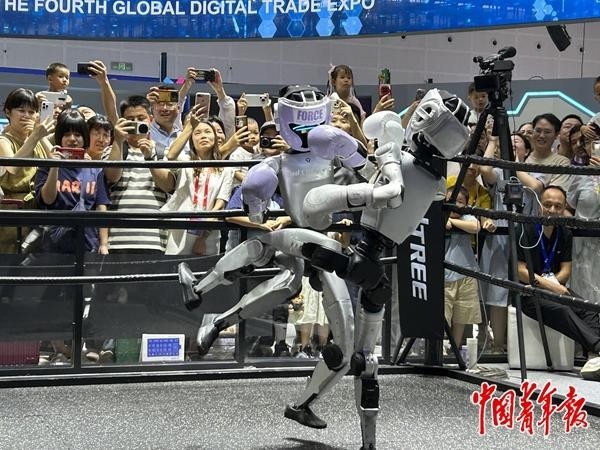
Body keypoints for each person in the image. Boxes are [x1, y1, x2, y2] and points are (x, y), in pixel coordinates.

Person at [516, 185, 600, 380]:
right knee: (563, 310)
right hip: (528, 292)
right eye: (547, 205)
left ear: (564, 209)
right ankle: (598, 348)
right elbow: (520, 271)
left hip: (556, 288)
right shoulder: (525, 229)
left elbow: (566, 271)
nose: (552, 210)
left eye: (558, 206)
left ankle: (594, 356)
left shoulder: (564, 233)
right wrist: (550, 286)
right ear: (539, 205)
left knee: (589, 309)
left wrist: (554, 285)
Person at [103, 95, 174, 254]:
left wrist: (150, 158)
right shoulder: (113, 150)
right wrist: (118, 140)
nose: (136, 123)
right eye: (130, 119)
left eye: (141, 118)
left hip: (154, 240)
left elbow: (168, 186)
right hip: (117, 241)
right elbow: (111, 177)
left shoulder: (164, 152)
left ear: (150, 120)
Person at [161, 113, 233, 255]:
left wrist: (202, 238)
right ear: (192, 140)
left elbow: (220, 205)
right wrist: (189, 127)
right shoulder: (185, 161)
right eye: (197, 133)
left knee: (205, 268)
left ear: (215, 137)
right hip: (180, 229)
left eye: (208, 132)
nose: (203, 136)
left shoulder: (226, 168)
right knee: (175, 266)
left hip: (209, 233)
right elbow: (170, 155)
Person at [0, 88, 54, 253]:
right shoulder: (4, 140)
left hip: (38, 213)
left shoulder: (37, 139)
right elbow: (13, 167)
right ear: (8, 112)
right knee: (10, 261)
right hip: (12, 216)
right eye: (21, 110)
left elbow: (56, 160)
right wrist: (35, 136)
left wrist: (39, 135)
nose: (27, 115)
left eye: (31, 112)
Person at [444, 186, 482, 347]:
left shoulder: (467, 217)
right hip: (444, 276)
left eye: (459, 201)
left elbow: (476, 227)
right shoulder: (439, 215)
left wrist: (452, 221)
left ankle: (455, 347)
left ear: (466, 204)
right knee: (443, 315)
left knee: (462, 315)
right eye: (450, 200)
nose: (454, 205)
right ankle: (441, 349)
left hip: (466, 273)